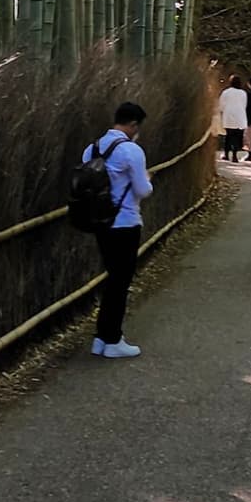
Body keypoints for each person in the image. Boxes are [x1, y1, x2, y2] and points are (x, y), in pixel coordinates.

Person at [84, 102, 152, 357]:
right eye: (138, 127)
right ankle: (113, 339)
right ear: (133, 125)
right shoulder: (131, 151)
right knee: (120, 282)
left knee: (113, 278)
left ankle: (101, 338)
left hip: (101, 223)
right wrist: (149, 181)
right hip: (125, 222)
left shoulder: (91, 148)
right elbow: (142, 190)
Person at [215, 72, 250, 163]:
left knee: (229, 136)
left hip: (229, 116)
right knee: (237, 137)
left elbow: (221, 105)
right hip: (240, 116)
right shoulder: (243, 93)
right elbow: (244, 104)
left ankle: (226, 155)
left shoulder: (226, 92)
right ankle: (235, 156)